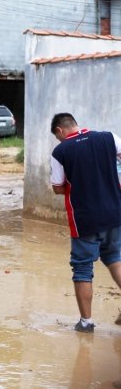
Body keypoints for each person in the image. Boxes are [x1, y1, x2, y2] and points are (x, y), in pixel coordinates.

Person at [49, 113, 121, 333]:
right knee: (116, 257)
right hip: (115, 213)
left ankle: (86, 323)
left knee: (82, 268)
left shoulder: (60, 151)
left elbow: (58, 187)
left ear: (60, 131)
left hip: (84, 220)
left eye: (57, 136)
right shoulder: (110, 137)